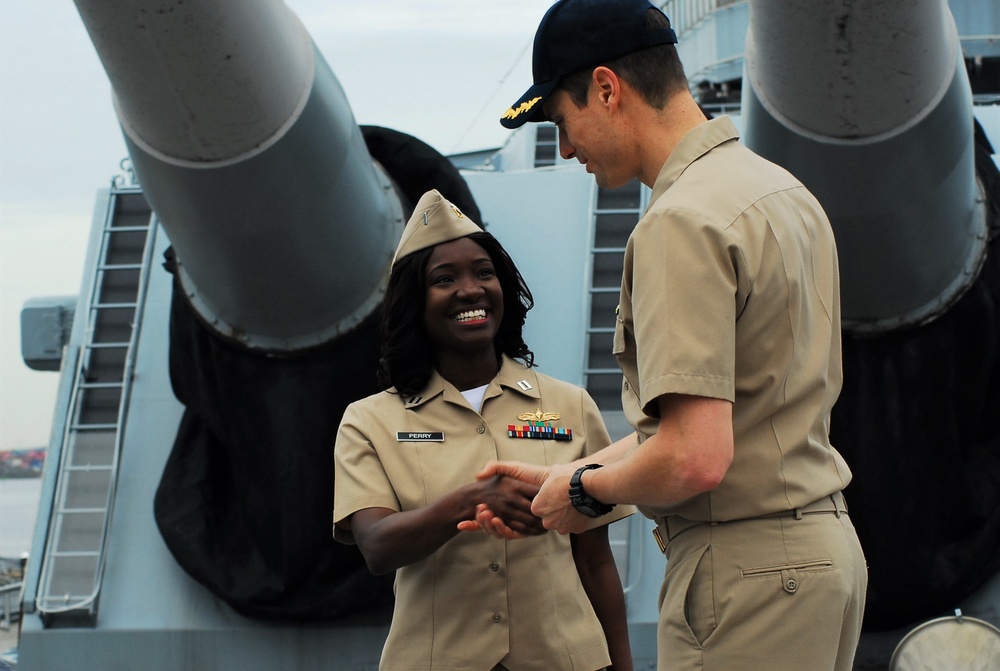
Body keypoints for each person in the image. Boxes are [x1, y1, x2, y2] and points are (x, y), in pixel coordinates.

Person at [467, 1, 868, 670]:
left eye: (563, 122)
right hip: (820, 557)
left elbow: (694, 457)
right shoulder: (784, 193)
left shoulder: (679, 223)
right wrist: (573, 471)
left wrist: (583, 493)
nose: (565, 149)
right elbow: (717, 415)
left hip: (744, 575)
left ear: (606, 87)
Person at [333, 189, 634, 671]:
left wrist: (623, 666)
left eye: (484, 273)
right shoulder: (369, 421)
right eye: (444, 279)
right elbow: (377, 546)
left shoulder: (568, 406)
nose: (470, 289)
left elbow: (596, 561)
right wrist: (474, 500)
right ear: (416, 302)